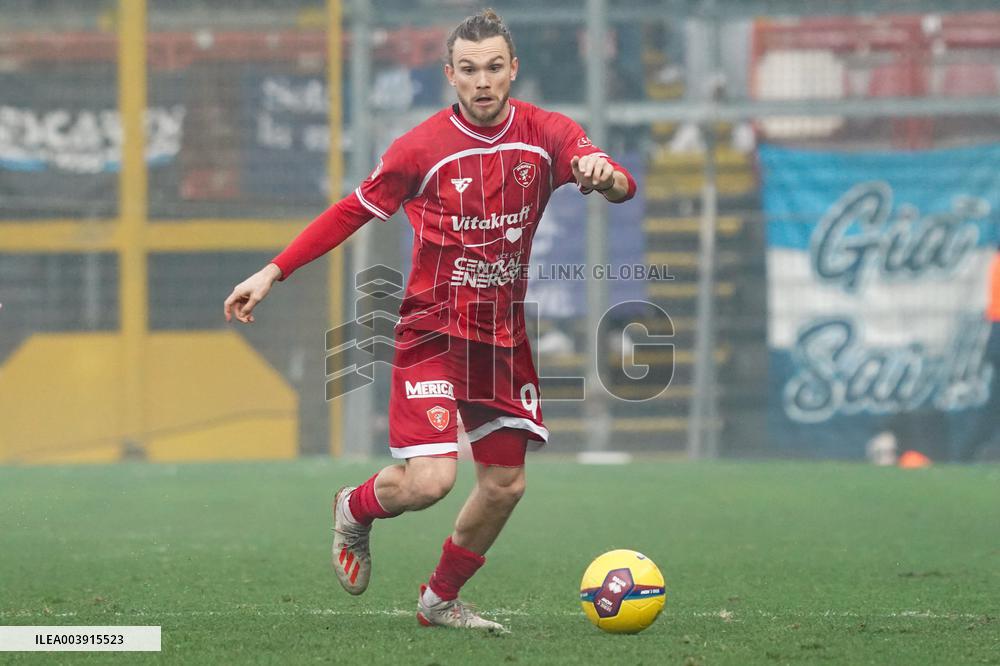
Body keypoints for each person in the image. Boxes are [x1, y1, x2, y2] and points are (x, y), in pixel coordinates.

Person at [223, 9, 636, 633]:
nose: (483, 81)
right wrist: (273, 271)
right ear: (450, 75)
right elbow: (349, 212)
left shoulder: (548, 133)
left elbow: (617, 180)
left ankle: (439, 599)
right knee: (431, 481)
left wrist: (605, 179)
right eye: (469, 70)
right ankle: (355, 508)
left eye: (495, 67)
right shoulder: (420, 148)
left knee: (504, 485)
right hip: (431, 335)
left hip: (500, 338)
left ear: (513, 69)